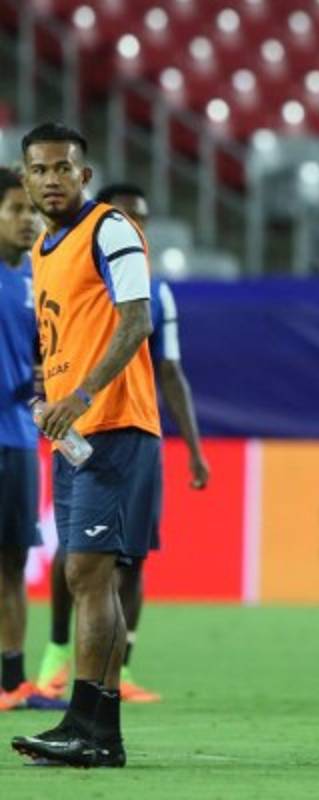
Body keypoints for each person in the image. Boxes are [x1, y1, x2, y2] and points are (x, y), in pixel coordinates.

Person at [11, 122, 161, 768]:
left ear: (84, 175)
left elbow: (137, 320)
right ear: (25, 177)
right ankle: (97, 730)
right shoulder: (44, 249)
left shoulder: (110, 229)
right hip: (75, 434)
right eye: (39, 169)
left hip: (115, 424)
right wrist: (48, 388)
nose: (51, 179)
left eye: (62, 168)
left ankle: (88, 726)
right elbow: (61, 338)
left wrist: (83, 393)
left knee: (89, 574)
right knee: (86, 575)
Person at [34, 182, 210, 704]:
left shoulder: (154, 291)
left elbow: (170, 371)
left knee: (129, 557)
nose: (136, 227)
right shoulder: (63, 262)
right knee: (79, 560)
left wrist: (194, 448)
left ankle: (113, 679)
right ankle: (59, 658)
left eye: (143, 219)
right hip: (78, 428)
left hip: (124, 427)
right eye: (126, 216)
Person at [0, 167, 62, 713]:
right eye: (15, 209)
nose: (27, 220)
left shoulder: (40, 279)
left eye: (32, 211)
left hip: (20, 437)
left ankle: (11, 683)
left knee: (12, 560)